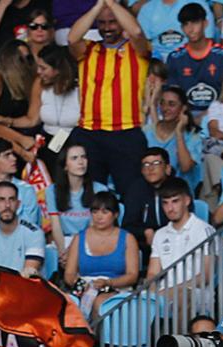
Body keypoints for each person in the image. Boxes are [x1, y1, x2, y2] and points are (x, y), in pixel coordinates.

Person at [67, 0, 151, 200]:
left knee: (131, 192)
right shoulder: (88, 49)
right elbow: (72, 38)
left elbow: (137, 32)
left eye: (112, 22)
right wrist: (99, 5)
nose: (106, 28)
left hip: (126, 132)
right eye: (101, 23)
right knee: (91, 195)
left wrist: (112, 4)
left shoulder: (137, 50)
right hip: (89, 133)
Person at [63, 192, 139, 319]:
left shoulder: (127, 238)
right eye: (95, 211)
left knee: (100, 303)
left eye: (105, 212)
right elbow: (69, 274)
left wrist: (109, 283)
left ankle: (97, 339)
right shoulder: (79, 238)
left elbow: (132, 275)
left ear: (116, 214)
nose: (99, 217)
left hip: (117, 288)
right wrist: (81, 284)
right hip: (85, 288)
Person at [165, 3, 223, 120]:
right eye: (186, 24)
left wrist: (206, 116)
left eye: (195, 22)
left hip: (220, 116)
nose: (191, 29)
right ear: (182, 29)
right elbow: (172, 96)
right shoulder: (175, 58)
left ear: (205, 23)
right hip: (186, 118)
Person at [146, 177, 211, 285]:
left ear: (187, 200)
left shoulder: (205, 231)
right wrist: (152, 295)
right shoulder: (159, 234)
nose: (170, 208)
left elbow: (206, 277)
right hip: (164, 297)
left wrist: (173, 292)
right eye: (165, 203)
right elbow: (152, 273)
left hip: (195, 295)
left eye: (175, 201)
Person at [49, 144, 111, 253]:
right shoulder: (51, 190)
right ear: (65, 166)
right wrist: (62, 252)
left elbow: (96, 225)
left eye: (84, 157)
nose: (81, 162)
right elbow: (56, 226)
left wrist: (76, 252)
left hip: (91, 241)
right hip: (64, 241)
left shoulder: (100, 189)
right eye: (74, 158)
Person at [143, 87, 203, 198]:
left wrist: (179, 133)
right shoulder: (146, 132)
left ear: (183, 108)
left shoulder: (192, 136)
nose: (165, 108)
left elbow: (185, 167)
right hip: (149, 192)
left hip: (180, 195)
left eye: (171, 104)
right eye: (162, 103)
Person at [0, 182, 45, 276]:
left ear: (18, 204)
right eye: (1, 200)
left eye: (11, 199)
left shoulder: (34, 233)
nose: (7, 205)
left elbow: (28, 275)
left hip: (22, 287)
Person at [122, 147, 172, 249]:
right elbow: (128, 226)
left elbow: (184, 220)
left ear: (167, 168)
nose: (150, 168)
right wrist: (145, 231)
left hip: (174, 243)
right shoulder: (135, 189)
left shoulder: (178, 187)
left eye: (156, 163)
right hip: (144, 247)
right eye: (146, 164)